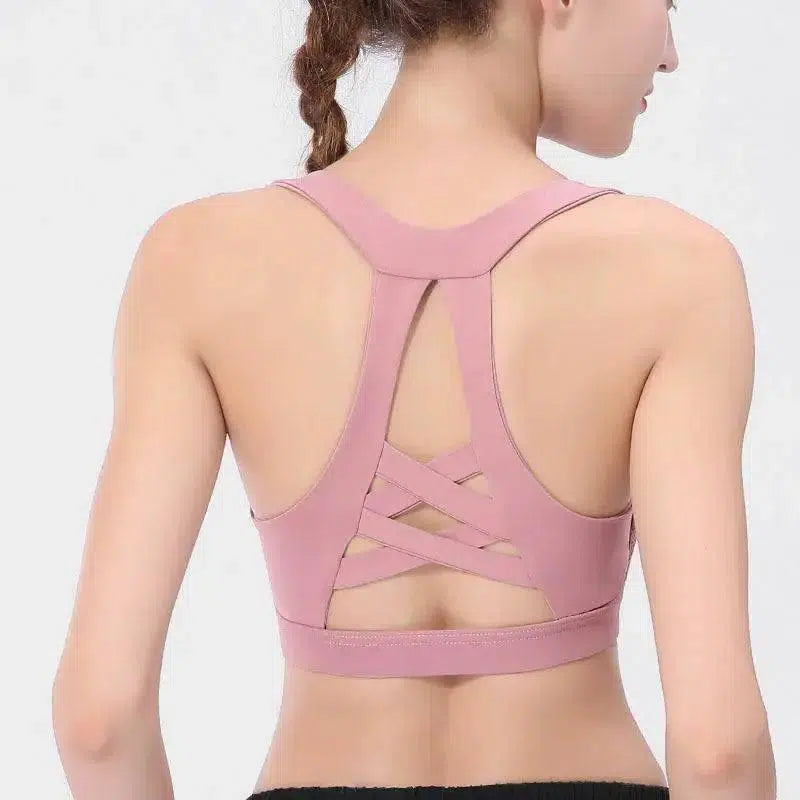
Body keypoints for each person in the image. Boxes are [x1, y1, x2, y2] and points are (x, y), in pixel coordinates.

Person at [51, 1, 778, 799]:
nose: (670, 52)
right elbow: (718, 749)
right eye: (666, 3)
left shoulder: (196, 259)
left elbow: (98, 718)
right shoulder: (675, 271)